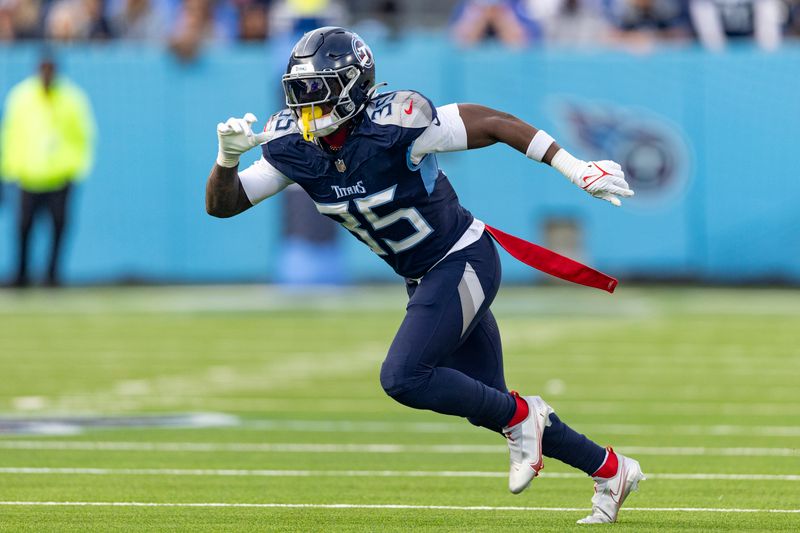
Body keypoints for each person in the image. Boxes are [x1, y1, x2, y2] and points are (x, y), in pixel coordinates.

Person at [205, 27, 643, 524]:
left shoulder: (398, 123)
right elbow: (224, 205)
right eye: (299, 92)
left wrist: (574, 167)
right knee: (488, 402)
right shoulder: (293, 148)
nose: (306, 106)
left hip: (462, 258)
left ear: (352, 85)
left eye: (318, 90)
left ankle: (525, 416)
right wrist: (227, 159)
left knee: (405, 378)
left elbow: (494, 122)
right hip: (424, 276)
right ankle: (609, 469)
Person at [0, 52, 95, 287]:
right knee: (23, 228)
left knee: (59, 227)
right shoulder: (21, 97)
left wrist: (76, 168)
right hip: (28, 176)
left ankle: (52, 275)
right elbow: (10, 135)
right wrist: (8, 170)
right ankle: (21, 274)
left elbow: (83, 135)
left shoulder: (71, 99)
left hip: (59, 176)